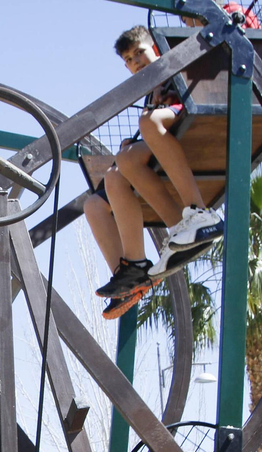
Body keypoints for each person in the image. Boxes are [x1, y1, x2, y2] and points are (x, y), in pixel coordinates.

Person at [89, 25, 226, 317]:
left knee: (146, 127)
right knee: (101, 194)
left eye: (140, 52)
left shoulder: (174, 69)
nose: (135, 61)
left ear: (157, 49)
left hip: (187, 121)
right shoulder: (149, 94)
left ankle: (198, 214)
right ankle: (133, 269)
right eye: (128, 59)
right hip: (162, 133)